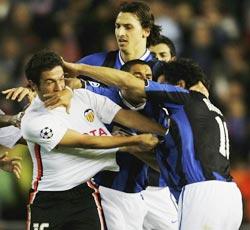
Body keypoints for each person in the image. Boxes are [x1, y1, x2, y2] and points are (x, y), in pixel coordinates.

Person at [62, 58, 243, 230]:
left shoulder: (184, 98)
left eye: (161, 84)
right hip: (230, 196)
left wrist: (79, 69)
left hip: (202, 193)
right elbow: (165, 163)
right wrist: (130, 145)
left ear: (179, 85)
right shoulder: (206, 113)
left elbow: (128, 82)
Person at [21, 50, 162, 230]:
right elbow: (85, 142)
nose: (58, 87)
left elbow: (125, 116)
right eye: (50, 82)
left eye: (61, 79)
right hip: (49, 199)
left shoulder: (81, 96)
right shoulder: (33, 121)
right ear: (33, 85)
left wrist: (164, 131)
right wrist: (132, 141)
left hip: (84, 194)